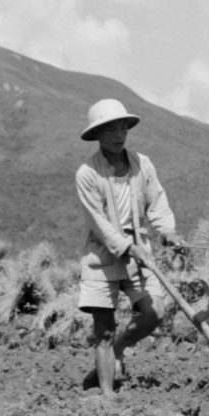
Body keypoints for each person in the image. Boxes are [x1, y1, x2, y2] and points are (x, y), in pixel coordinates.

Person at [75, 98, 186, 395]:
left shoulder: (142, 164)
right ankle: (108, 397)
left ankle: (121, 348)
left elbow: (157, 204)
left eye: (123, 127)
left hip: (140, 253)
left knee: (155, 313)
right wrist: (125, 246)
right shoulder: (87, 174)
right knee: (105, 331)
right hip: (102, 256)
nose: (119, 134)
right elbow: (97, 221)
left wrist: (168, 234)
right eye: (111, 129)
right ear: (98, 134)